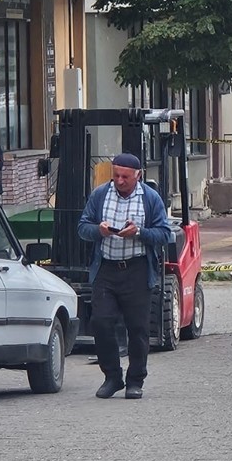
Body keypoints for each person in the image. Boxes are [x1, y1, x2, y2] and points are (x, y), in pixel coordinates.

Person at [78, 153, 172, 399]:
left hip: (137, 269)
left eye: (125, 177)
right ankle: (112, 377)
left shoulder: (150, 199)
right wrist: (98, 230)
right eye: (116, 175)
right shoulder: (100, 195)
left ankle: (135, 380)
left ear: (137, 176)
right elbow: (82, 227)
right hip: (106, 269)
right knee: (101, 322)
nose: (119, 181)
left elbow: (164, 233)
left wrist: (139, 232)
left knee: (138, 328)